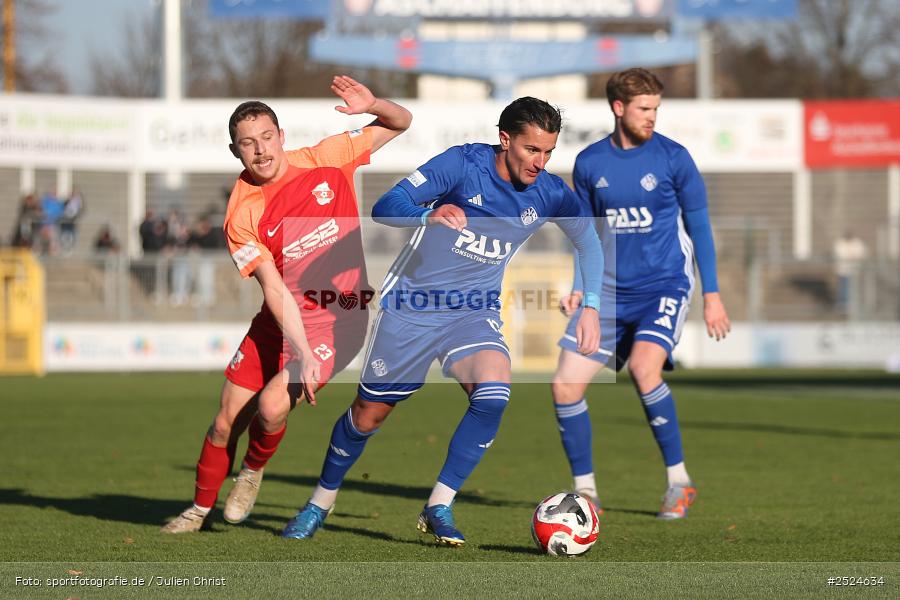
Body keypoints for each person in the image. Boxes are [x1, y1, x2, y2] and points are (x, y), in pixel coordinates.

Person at [281, 97, 604, 546]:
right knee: (368, 415)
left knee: (494, 393)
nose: (541, 162)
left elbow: (588, 239)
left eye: (548, 152)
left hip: (473, 314)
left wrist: (589, 304)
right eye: (532, 150)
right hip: (411, 309)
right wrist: (426, 214)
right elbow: (387, 205)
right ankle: (320, 501)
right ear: (505, 139)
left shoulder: (548, 191)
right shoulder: (462, 165)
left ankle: (439, 504)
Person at [161, 75, 412, 533]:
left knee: (273, 408)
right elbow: (274, 290)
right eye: (247, 143)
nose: (259, 150)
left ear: (281, 136)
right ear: (235, 151)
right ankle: (197, 511)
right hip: (279, 320)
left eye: (266, 137)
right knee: (223, 424)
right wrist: (296, 345)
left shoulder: (327, 160)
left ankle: (252, 472)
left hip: (340, 321)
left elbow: (402, 121)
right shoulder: (243, 212)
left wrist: (373, 103)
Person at [551, 68, 730, 520]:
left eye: (656, 109)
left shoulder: (674, 159)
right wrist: (580, 289)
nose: (652, 117)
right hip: (608, 292)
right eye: (644, 109)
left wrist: (712, 294)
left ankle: (679, 482)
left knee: (644, 369)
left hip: (663, 285)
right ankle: (585, 492)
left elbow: (700, 229)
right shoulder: (590, 164)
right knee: (564, 386)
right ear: (618, 108)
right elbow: (585, 235)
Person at [832, 230, 866, 312]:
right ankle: (844, 304)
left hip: (854, 270)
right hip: (843, 270)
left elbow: (860, 253)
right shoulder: (840, 243)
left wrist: (853, 256)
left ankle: (853, 303)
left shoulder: (857, 243)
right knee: (844, 287)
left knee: (854, 287)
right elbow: (840, 254)